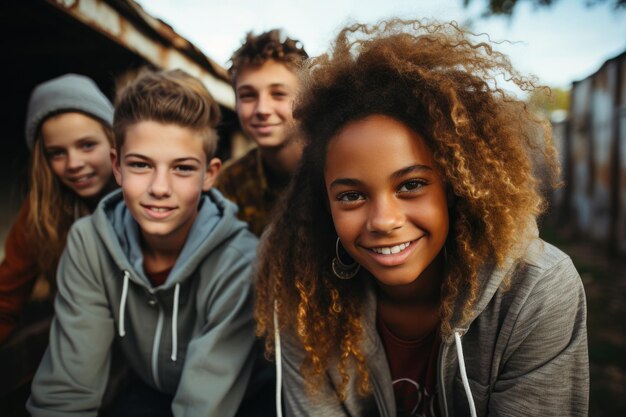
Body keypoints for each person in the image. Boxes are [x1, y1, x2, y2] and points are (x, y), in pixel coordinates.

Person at [255, 20, 589, 416]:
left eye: (411, 185)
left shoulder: (535, 289)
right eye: (351, 195)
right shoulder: (301, 286)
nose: (383, 220)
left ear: (454, 186)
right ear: (324, 206)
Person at [27, 69, 258, 417]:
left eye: (182, 168)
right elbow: (69, 391)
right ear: (116, 167)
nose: (159, 188)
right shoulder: (89, 242)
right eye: (140, 165)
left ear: (210, 174)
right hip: (147, 392)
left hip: (236, 404)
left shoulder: (240, 261)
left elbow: (203, 408)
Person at [215, 29, 308, 237]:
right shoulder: (229, 184)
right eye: (248, 96)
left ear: (305, 99)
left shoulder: (335, 168)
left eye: (278, 94)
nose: (262, 109)